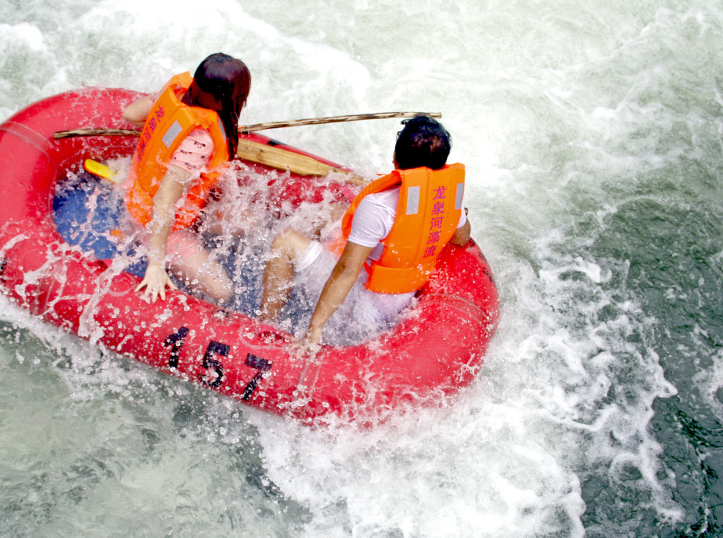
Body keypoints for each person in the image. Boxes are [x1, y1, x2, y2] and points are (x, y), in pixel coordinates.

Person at [258, 115, 471, 353]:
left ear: (395, 159)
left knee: (284, 240)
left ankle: (266, 325)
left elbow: (347, 271)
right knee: (335, 212)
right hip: (399, 299)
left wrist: (315, 327)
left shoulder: (378, 206)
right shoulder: (448, 198)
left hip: (363, 310)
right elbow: (461, 237)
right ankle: (308, 261)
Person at [119, 53, 251, 303]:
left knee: (249, 226)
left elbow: (130, 114)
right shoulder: (198, 141)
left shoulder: (176, 93)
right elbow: (163, 203)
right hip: (153, 223)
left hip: (137, 192)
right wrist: (156, 265)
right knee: (224, 292)